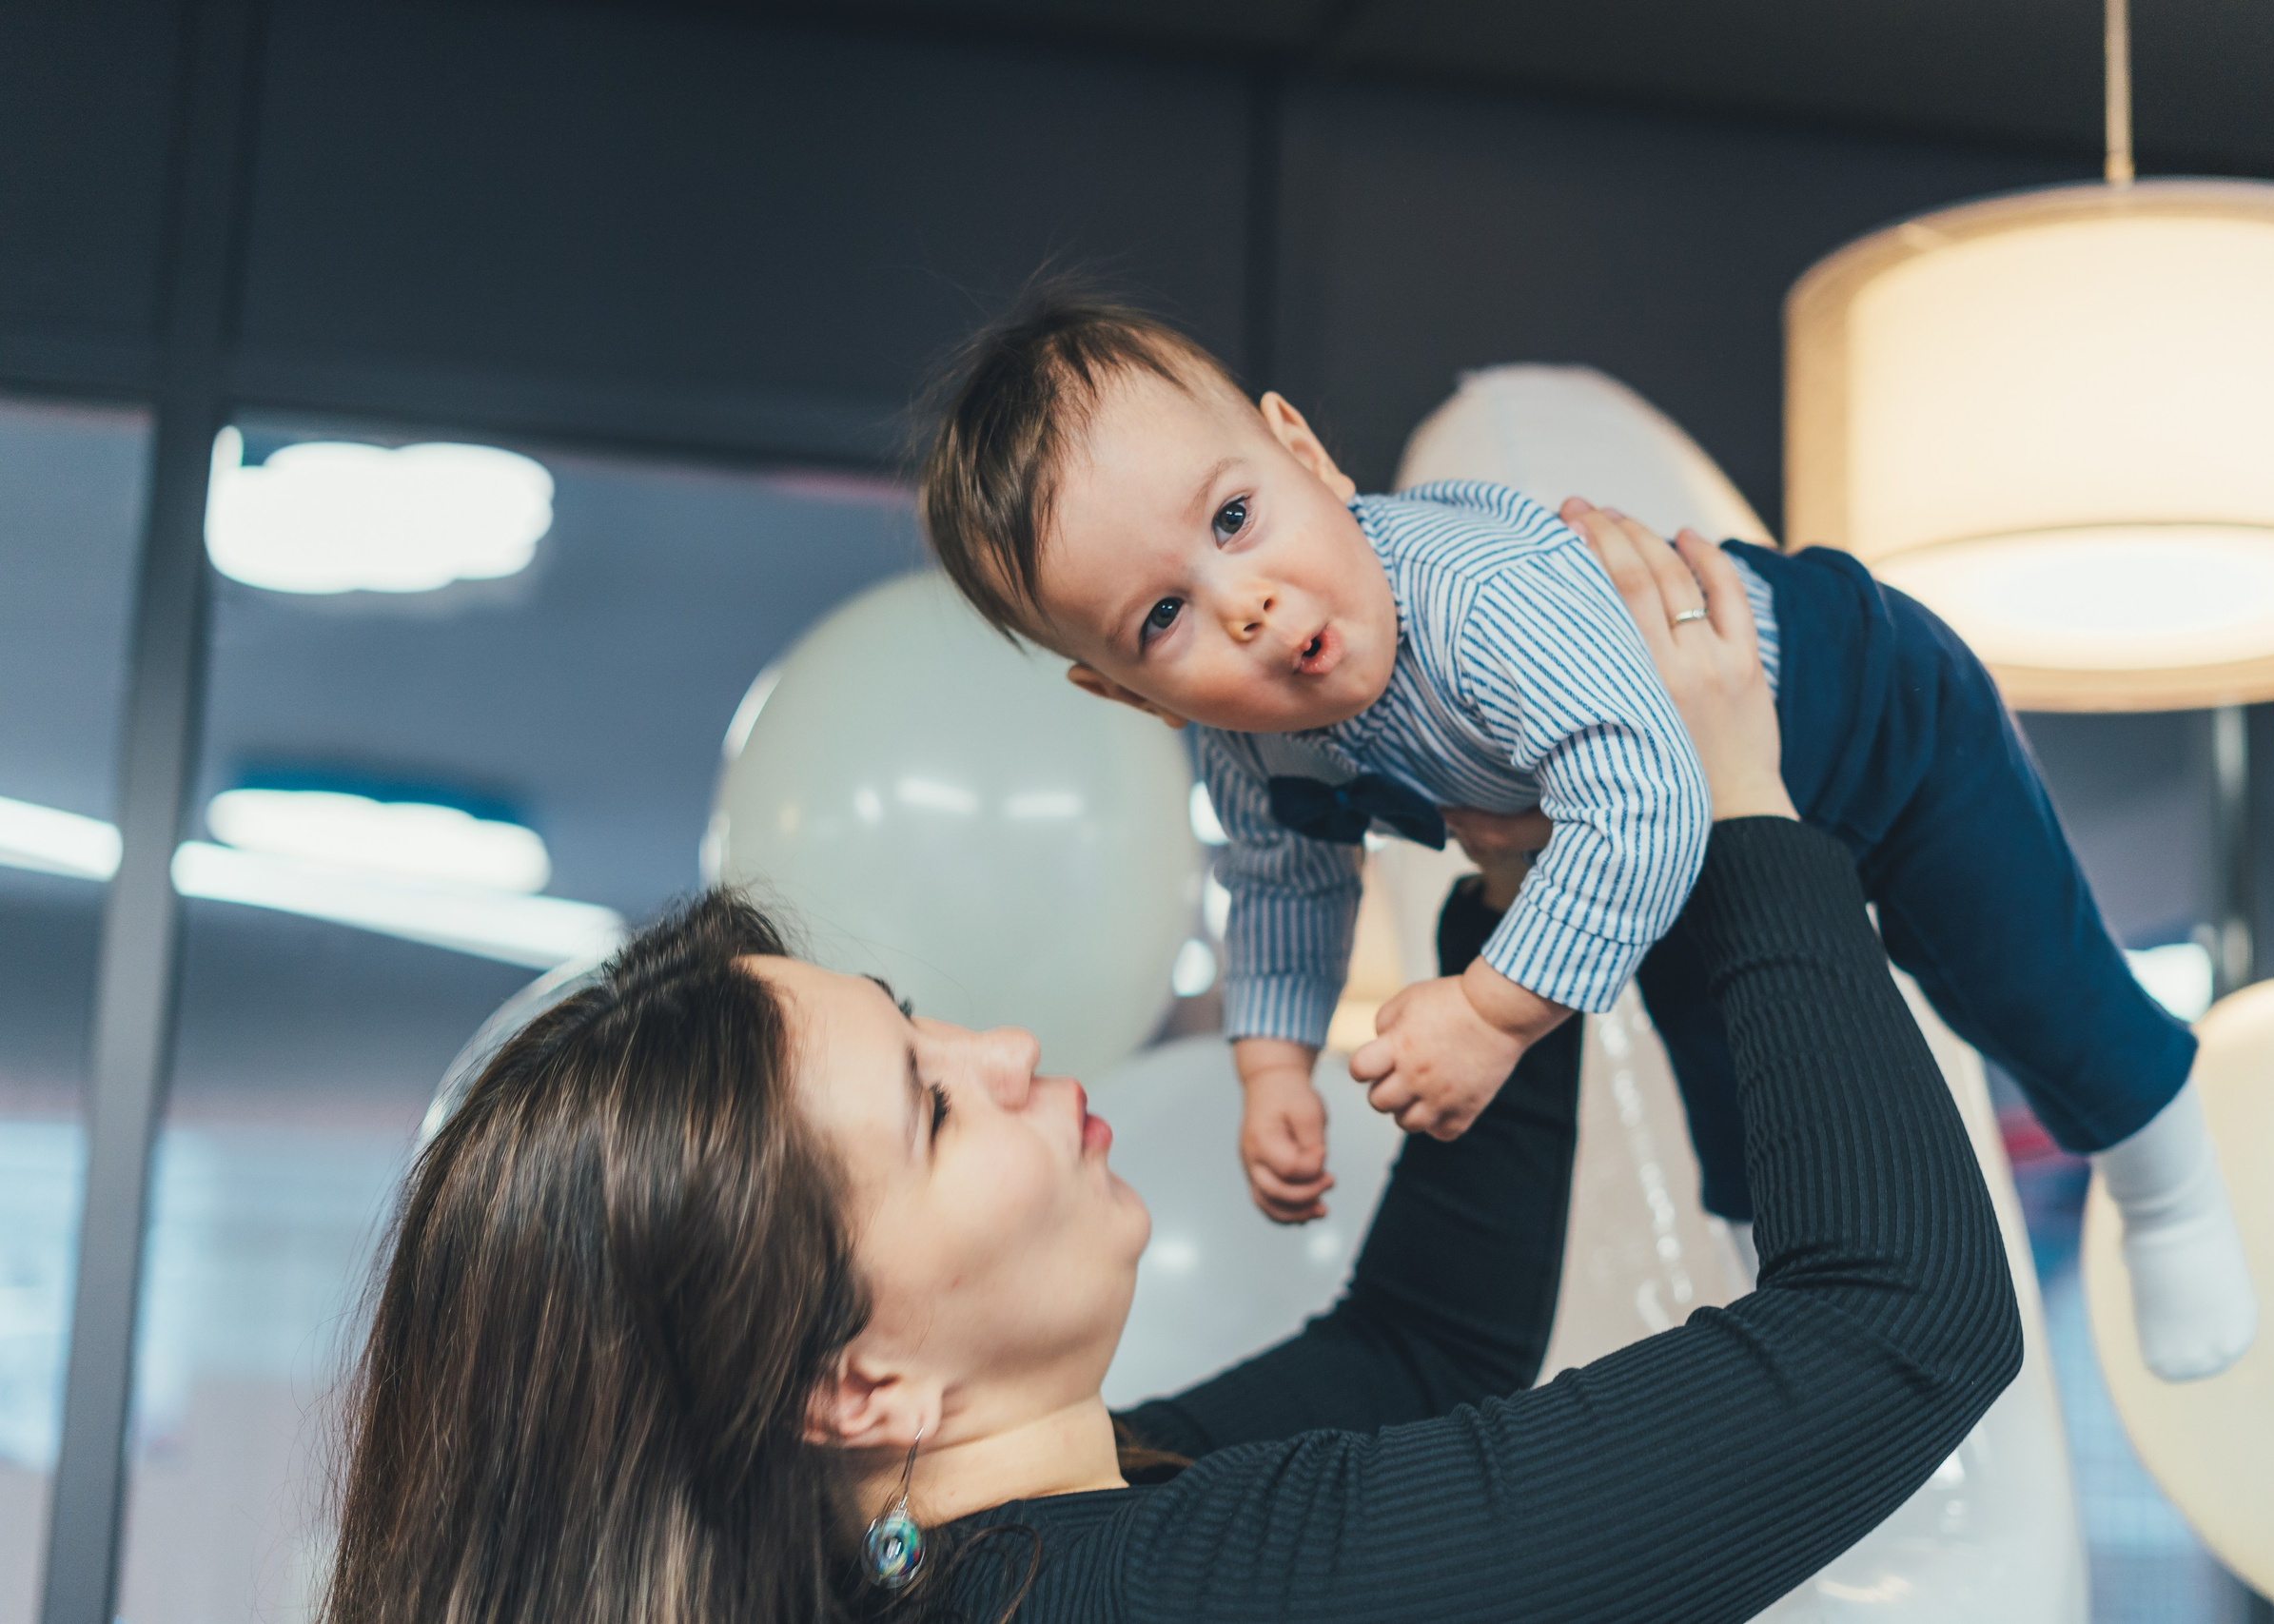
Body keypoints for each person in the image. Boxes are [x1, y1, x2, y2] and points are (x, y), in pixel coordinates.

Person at [323, 522, 2020, 1624]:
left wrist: (1522, 923)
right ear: (858, 1391)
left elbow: (1420, 1350)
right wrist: (1735, 801)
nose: (1000, 1052)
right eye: (925, 1109)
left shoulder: (1013, 1554)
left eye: (918, 1017)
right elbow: (1898, 1323)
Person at [915, 293, 2253, 1382]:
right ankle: (1786, 1299)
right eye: (1163, 620)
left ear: (1305, 454)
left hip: (1861, 720)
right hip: (1666, 863)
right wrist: (1274, 1069)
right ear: (1122, 690)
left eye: (1234, 519)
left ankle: (2163, 1162)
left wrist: (1492, 1015)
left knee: (2014, 965)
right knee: (1738, 1077)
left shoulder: (1482, 601)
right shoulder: (1247, 737)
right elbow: (1281, 879)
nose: (1249, 607)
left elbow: (1646, 795)